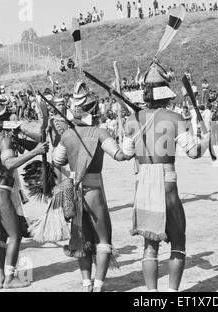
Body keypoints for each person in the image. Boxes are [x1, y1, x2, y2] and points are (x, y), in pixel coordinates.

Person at [123, 60, 210, 292]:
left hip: (143, 181)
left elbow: (124, 153)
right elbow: (193, 152)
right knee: (178, 242)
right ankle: (171, 294)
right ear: (165, 93)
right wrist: (207, 140)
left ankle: (152, 294)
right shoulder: (174, 118)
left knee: (149, 245)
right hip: (167, 181)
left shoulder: (132, 119)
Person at [52, 80, 132, 292]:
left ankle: (86, 284)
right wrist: (131, 141)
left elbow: (56, 160)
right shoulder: (99, 132)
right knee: (103, 239)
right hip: (94, 190)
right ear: (93, 109)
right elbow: (120, 155)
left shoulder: (67, 135)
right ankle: (97, 286)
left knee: (81, 238)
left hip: (74, 191)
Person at [0, 97, 48, 289]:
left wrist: (24, 135)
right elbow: (9, 163)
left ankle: (0, 277)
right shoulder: (5, 139)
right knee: (15, 235)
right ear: (9, 118)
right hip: (1, 191)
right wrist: (34, 152)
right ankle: (10, 279)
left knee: (1, 237)